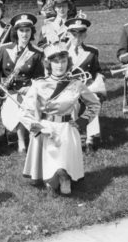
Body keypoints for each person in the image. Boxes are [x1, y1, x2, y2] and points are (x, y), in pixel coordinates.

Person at [21, 43, 101, 195]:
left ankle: (64, 177)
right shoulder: (39, 84)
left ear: (68, 62)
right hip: (46, 128)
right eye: (55, 62)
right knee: (52, 168)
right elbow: (23, 111)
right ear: (49, 64)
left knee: (63, 163)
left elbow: (94, 104)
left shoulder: (76, 84)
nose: (60, 65)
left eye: (63, 61)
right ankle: (53, 176)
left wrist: (81, 121)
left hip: (66, 127)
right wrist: (39, 128)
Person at [0, 13, 45, 152]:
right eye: (21, 30)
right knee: (16, 108)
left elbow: (40, 78)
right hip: (9, 92)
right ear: (16, 31)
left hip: (29, 91)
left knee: (29, 106)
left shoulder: (37, 53)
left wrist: (31, 87)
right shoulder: (4, 49)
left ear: (32, 32)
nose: (24, 34)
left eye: (27, 30)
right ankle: (21, 141)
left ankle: (32, 138)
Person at [65, 17, 106, 151]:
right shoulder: (62, 52)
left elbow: (95, 72)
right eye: (74, 34)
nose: (77, 38)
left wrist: (98, 82)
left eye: (81, 34)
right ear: (68, 34)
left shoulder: (92, 52)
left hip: (86, 86)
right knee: (72, 104)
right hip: (67, 88)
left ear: (85, 35)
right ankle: (73, 135)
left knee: (92, 102)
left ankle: (90, 139)